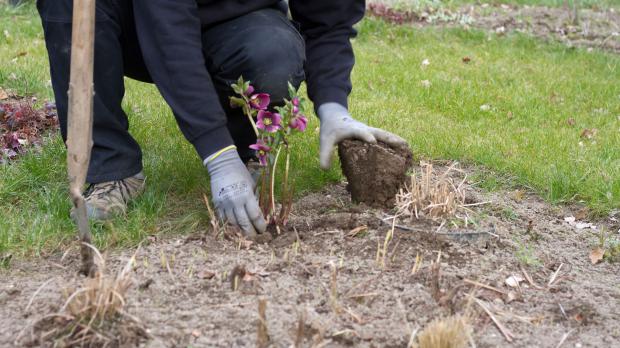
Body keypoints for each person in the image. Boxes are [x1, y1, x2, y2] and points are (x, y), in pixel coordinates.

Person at [37, 0, 406, 238]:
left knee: (273, 58)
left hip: (237, 18)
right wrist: (217, 156)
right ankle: (112, 167)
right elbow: (169, 32)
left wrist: (333, 106)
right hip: (132, 16)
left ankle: (247, 145)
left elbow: (329, 17)